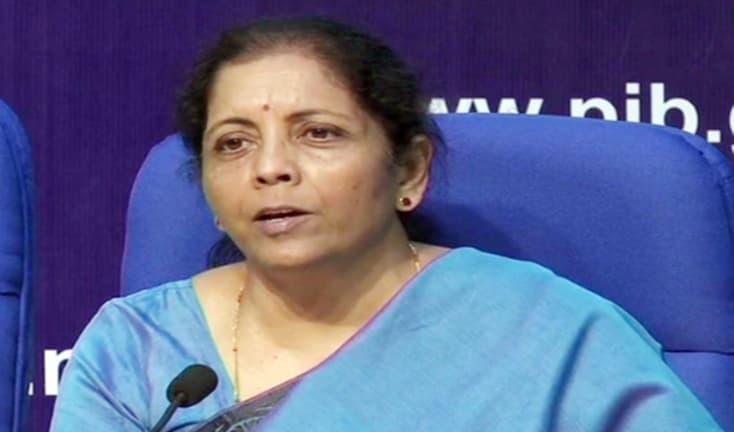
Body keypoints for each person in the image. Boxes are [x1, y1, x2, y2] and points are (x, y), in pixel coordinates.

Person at [50, 17, 723, 431]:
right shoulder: (137, 347)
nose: (270, 168)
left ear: (409, 171)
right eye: (233, 143)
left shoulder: (545, 329)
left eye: (318, 133)